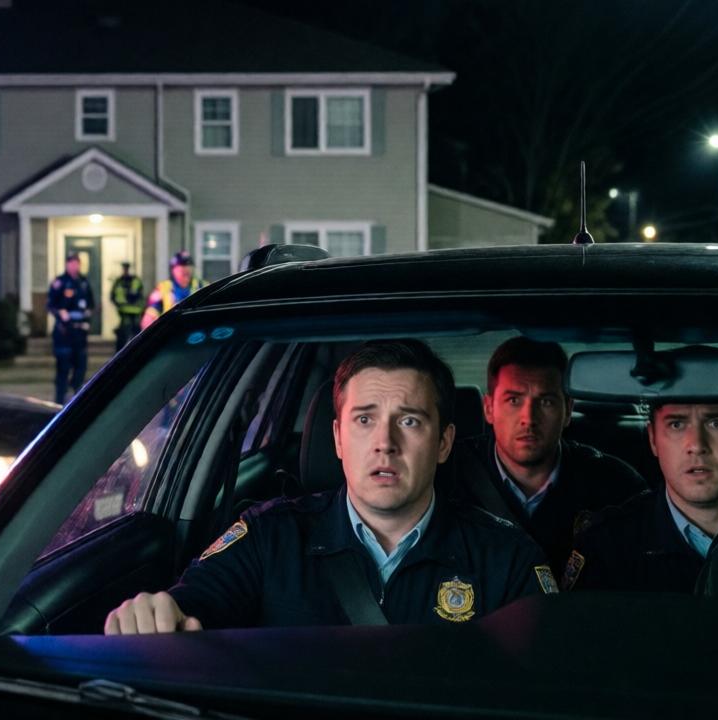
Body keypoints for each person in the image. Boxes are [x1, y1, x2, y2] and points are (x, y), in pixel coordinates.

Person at [105, 339, 554, 635]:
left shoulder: (507, 558)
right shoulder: (269, 537)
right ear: (338, 438)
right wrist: (158, 617)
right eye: (365, 420)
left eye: (410, 421)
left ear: (443, 442)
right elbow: (195, 604)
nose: (385, 443)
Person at [565, 349, 718, 593]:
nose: (697, 445)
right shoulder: (609, 545)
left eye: (716, 423)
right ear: (653, 440)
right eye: (677, 424)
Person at [436, 337, 645, 573]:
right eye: (513, 400)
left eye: (545, 401)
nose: (529, 418)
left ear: (568, 410)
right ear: (489, 408)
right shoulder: (444, 477)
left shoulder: (615, 487)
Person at [47, 253, 95, 404]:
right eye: (71, 263)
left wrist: (88, 313)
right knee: (63, 369)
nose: (74, 266)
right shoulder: (59, 282)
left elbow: (91, 304)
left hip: (80, 333)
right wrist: (60, 312)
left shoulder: (84, 282)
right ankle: (59, 402)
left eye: (77, 263)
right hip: (64, 333)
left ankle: (76, 401)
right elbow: (50, 305)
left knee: (80, 367)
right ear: (67, 264)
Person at [141, 251, 205, 330]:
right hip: (170, 333)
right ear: (173, 269)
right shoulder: (163, 288)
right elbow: (151, 312)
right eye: (182, 266)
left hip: (196, 331)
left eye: (189, 265)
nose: (186, 269)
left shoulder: (203, 286)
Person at [110, 261, 145, 352]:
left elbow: (139, 295)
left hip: (133, 314)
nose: (125, 270)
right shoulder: (120, 281)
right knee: (124, 336)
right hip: (125, 313)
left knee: (133, 336)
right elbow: (113, 296)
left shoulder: (132, 281)